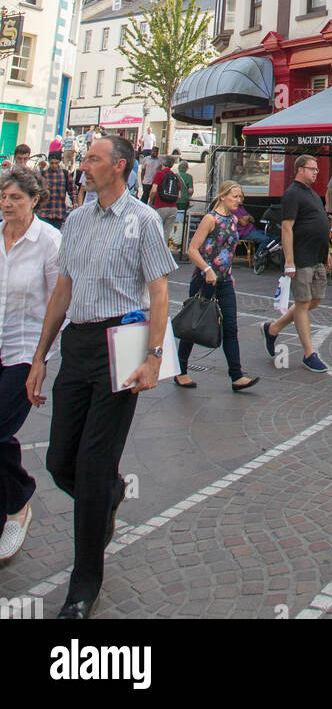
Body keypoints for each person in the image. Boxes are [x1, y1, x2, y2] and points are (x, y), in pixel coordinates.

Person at [26, 135, 177, 620]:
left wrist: (154, 357)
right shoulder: (76, 219)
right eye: (84, 158)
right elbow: (61, 291)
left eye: (92, 159)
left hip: (122, 345)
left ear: (120, 167)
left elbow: (159, 294)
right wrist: (40, 356)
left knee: (92, 467)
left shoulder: (144, 220)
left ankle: (82, 586)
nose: (83, 166)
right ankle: (109, 495)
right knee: (58, 461)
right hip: (78, 344)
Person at [0, 166, 60, 562]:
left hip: (24, 352)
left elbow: (59, 303)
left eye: (15, 197)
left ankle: (19, 503)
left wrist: (40, 359)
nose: (6, 204)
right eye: (3, 197)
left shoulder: (49, 241)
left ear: (34, 200)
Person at [174, 181, 259, 394]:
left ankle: (237, 375)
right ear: (222, 196)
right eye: (235, 197)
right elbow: (192, 249)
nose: (238, 201)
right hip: (204, 281)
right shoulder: (210, 219)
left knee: (230, 326)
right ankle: (181, 369)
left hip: (224, 281)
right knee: (193, 325)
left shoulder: (232, 220)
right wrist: (207, 269)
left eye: (240, 198)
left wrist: (228, 272)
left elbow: (226, 251)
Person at [262, 155, 332, 373]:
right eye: (312, 169)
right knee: (302, 303)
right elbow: (287, 227)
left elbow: (320, 223)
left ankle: (273, 328)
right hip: (301, 256)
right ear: (300, 169)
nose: (316, 172)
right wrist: (289, 260)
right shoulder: (292, 194)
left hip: (318, 255)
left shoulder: (312, 194)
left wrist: (327, 250)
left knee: (315, 300)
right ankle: (309, 353)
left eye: (317, 170)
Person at [40, 150, 75, 233]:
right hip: (44, 213)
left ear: (59, 162)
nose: (54, 165)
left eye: (56, 163)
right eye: (52, 163)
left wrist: (75, 202)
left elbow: (72, 190)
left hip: (59, 213)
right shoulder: (43, 175)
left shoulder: (65, 174)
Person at [149, 154, 180, 247]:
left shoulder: (159, 174)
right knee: (166, 235)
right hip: (173, 208)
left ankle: (153, 255)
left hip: (160, 206)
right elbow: (179, 196)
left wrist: (151, 201)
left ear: (162, 163)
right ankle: (163, 255)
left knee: (155, 233)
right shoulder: (175, 176)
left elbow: (154, 190)